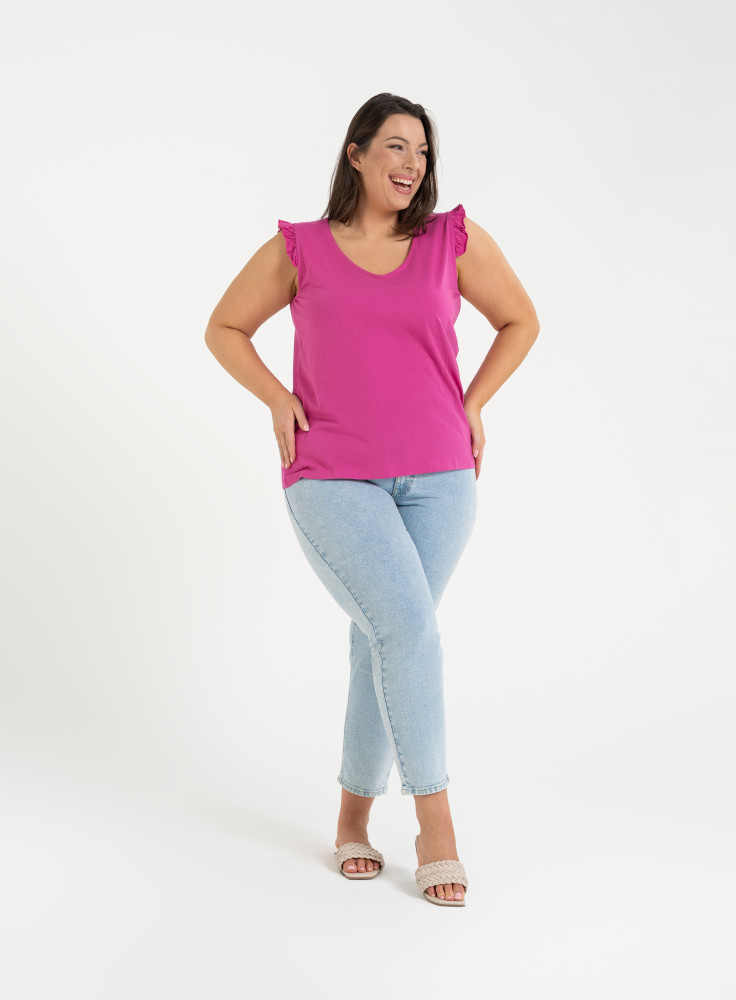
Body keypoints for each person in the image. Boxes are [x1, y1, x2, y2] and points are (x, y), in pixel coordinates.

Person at [204, 93, 540, 907]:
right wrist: (276, 396)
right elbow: (224, 328)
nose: (411, 165)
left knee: (382, 639)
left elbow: (521, 321)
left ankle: (353, 818)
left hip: (442, 480)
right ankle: (436, 824)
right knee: (407, 631)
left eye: (422, 153)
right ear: (355, 153)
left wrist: (473, 403)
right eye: (394, 147)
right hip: (332, 476)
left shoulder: (451, 240)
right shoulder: (302, 249)